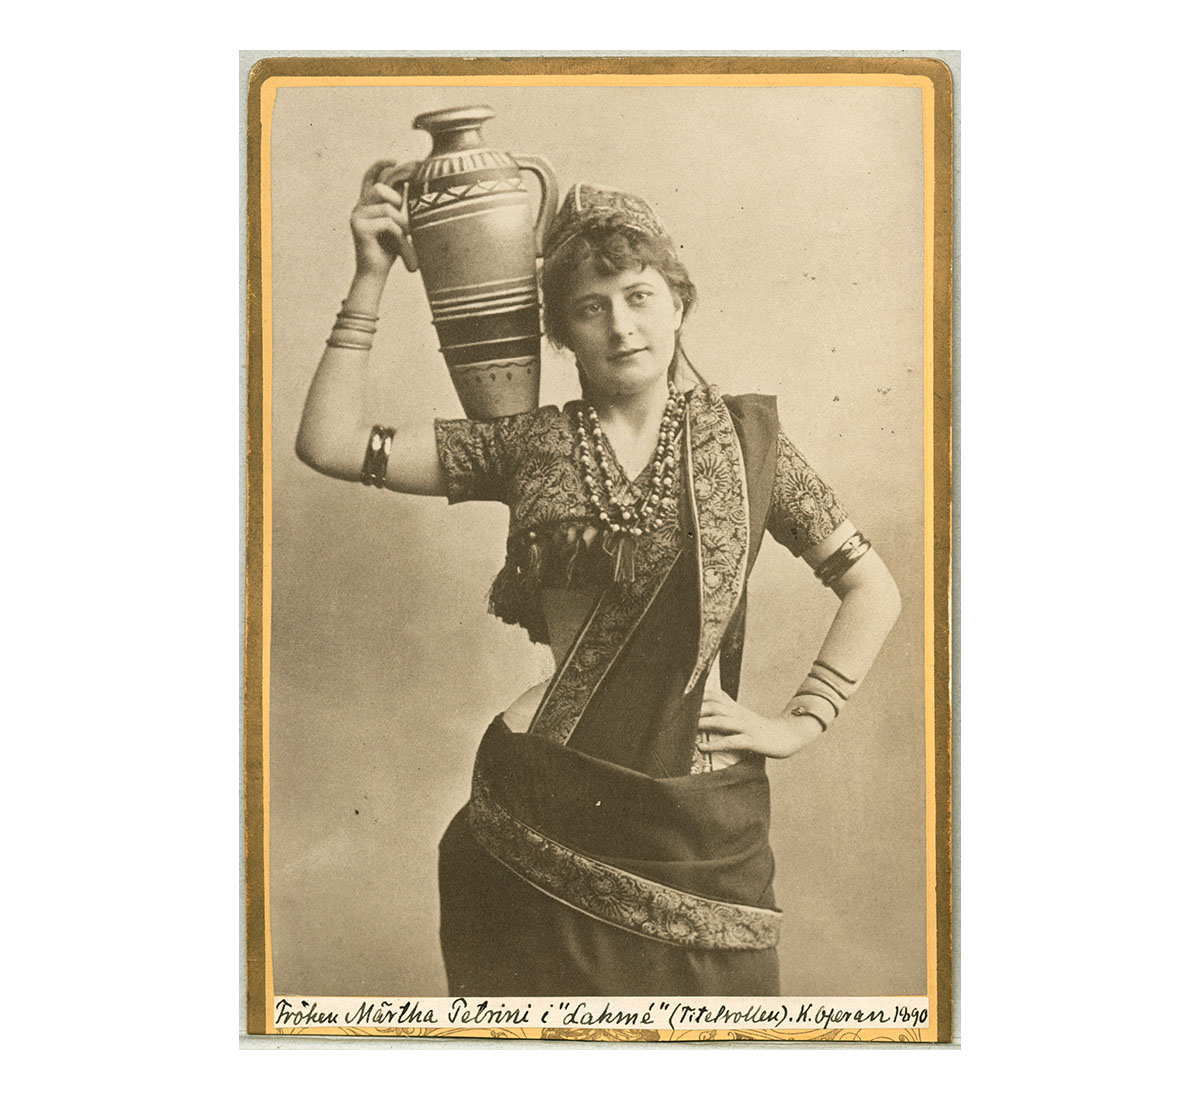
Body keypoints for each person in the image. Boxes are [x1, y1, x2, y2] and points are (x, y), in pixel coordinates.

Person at [295, 167, 902, 997]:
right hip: (538, 808)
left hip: (694, 827)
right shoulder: (526, 444)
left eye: (640, 295)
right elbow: (330, 442)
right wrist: (369, 274)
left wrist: (799, 723)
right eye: (591, 307)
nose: (621, 325)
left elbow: (874, 586)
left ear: (679, 302)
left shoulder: (747, 444)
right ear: (562, 335)